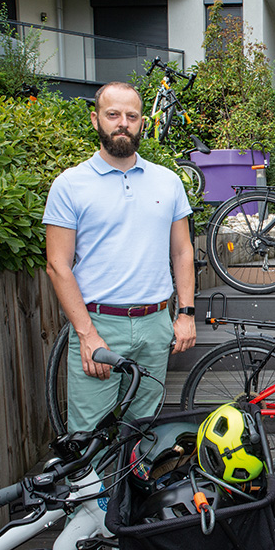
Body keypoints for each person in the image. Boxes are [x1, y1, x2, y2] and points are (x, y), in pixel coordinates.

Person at [44, 81, 197, 434]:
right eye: (113, 114)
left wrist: (185, 313)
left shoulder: (168, 181)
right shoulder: (70, 185)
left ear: (142, 122)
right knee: (88, 436)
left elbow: (182, 250)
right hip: (100, 324)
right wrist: (86, 334)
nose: (122, 123)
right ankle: (90, 492)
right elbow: (57, 265)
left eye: (131, 115)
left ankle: (131, 490)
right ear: (96, 119)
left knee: (141, 433)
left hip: (155, 323)